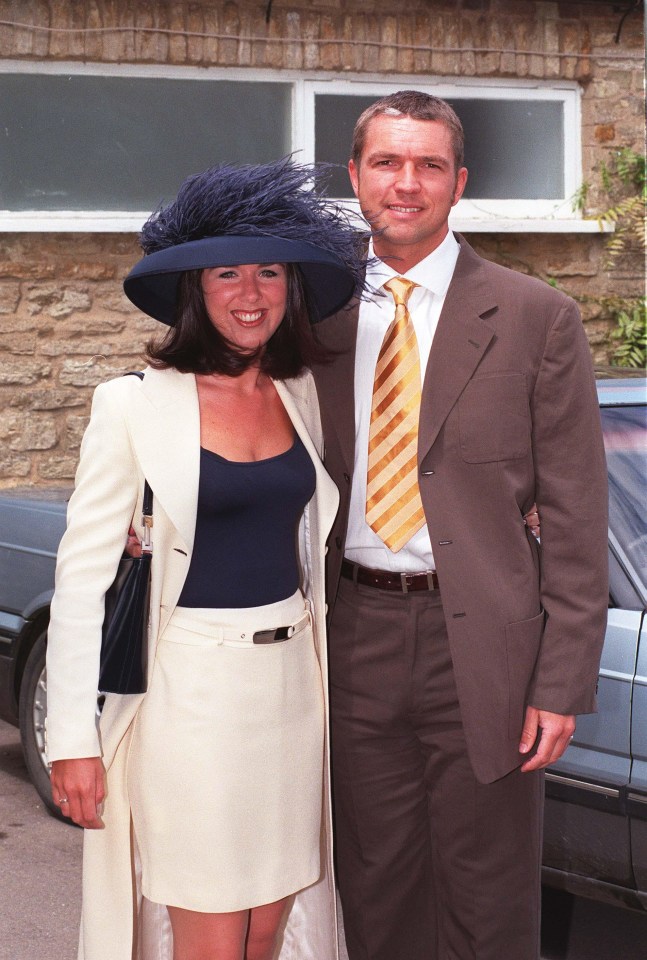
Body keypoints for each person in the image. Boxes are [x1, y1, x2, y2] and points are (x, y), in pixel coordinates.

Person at [312, 91, 609, 960]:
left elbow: (578, 513)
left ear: (458, 181)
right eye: (387, 163)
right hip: (350, 634)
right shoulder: (309, 311)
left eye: (428, 165)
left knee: (487, 901)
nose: (407, 184)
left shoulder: (534, 316)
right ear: (357, 176)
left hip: (484, 650)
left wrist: (562, 680)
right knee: (375, 888)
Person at [45, 159, 365, 960]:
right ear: (194, 287)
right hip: (192, 701)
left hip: (294, 693)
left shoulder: (299, 394)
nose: (250, 292)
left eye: (268, 272)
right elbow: (81, 581)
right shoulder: (132, 405)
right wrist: (72, 742)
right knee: (211, 935)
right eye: (227, 272)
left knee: (268, 929)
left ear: (291, 287)